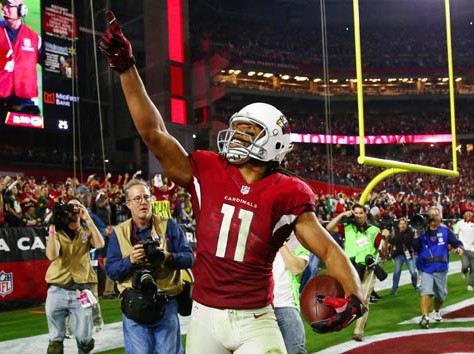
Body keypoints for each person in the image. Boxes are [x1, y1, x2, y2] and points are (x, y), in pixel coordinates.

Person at [99, 12, 366, 353]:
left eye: (248, 131)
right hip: (204, 317)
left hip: (256, 319)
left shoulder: (288, 191)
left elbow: (328, 248)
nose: (237, 136)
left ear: (274, 143)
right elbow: (153, 133)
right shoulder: (208, 169)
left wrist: (356, 294)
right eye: (237, 127)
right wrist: (126, 69)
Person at [105, 179, 194, 354]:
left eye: (146, 197)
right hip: (134, 303)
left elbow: (189, 258)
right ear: (128, 204)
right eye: (137, 199)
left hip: (166, 300)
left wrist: (168, 256)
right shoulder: (119, 232)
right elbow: (112, 271)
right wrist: (130, 260)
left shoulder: (169, 225)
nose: (143, 202)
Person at [44, 198, 104, 354]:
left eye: (77, 205)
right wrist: (52, 227)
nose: (74, 208)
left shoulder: (85, 232)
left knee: (85, 341)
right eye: (70, 206)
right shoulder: (58, 233)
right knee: (55, 344)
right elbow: (52, 255)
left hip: (81, 290)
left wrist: (88, 219)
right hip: (57, 289)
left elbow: (99, 244)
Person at [326, 203, 388, 342]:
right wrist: (342, 215)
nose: (359, 215)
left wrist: (385, 237)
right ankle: (359, 319)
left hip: (368, 270)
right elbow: (329, 227)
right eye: (356, 213)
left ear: (366, 214)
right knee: (350, 300)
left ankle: (358, 330)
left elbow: (383, 250)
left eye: (361, 213)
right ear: (352, 213)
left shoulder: (374, 230)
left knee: (364, 299)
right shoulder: (347, 228)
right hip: (350, 270)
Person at [413, 206, 464, 329]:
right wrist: (416, 231)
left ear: (440, 217)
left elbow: (456, 242)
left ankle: (436, 310)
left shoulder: (446, 231)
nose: (433, 217)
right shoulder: (422, 232)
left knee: (441, 295)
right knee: (426, 291)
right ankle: (425, 317)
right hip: (426, 268)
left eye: (436, 215)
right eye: (431, 215)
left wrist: (459, 248)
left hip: (441, 268)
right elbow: (415, 248)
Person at [272, 235, 309, 354]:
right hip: (261, 306)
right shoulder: (261, 238)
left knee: (296, 350)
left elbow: (297, 268)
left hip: (286, 305)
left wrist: (279, 240)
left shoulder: (300, 241)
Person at [388, 217, 418, 294]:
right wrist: (400, 233)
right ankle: (394, 289)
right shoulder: (395, 232)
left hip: (408, 254)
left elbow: (409, 242)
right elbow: (393, 241)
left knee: (413, 272)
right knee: (397, 272)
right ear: (398, 225)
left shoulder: (410, 232)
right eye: (401, 224)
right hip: (399, 255)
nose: (402, 225)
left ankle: (415, 285)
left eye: (404, 224)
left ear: (406, 224)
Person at [453, 210, 474, 291]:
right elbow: (455, 234)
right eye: (467, 212)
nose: (468, 213)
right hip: (463, 248)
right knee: (465, 265)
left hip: (473, 249)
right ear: (464, 214)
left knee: (473, 268)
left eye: (470, 212)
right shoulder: (459, 223)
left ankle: (470, 285)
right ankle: (463, 271)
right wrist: (456, 246)